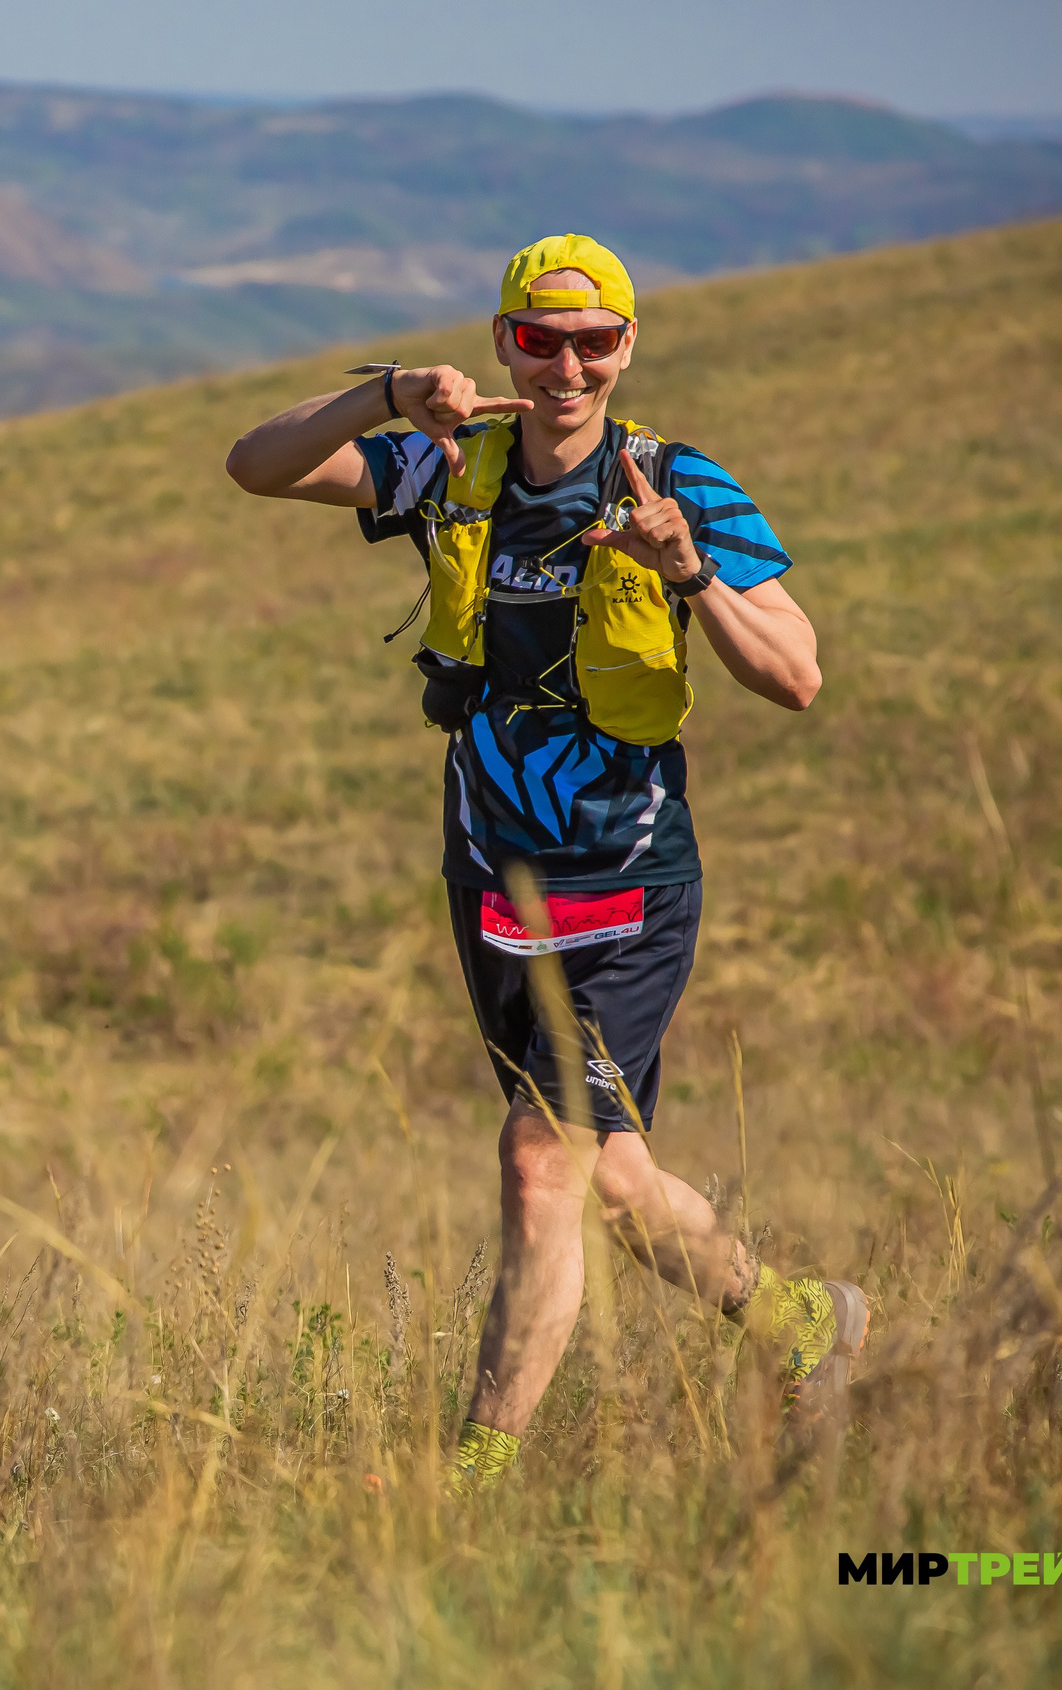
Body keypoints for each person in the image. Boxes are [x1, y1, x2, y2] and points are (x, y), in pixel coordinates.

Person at [224, 234, 866, 1492]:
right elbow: (256, 466)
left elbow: (795, 676)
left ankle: (470, 1482)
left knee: (537, 1161)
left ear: (627, 347)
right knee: (609, 1173)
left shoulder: (678, 483)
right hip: (494, 883)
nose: (566, 368)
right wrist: (387, 393)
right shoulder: (446, 467)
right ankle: (800, 1321)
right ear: (503, 341)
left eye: (593, 343)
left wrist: (689, 572)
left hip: (627, 887)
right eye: (538, 340)